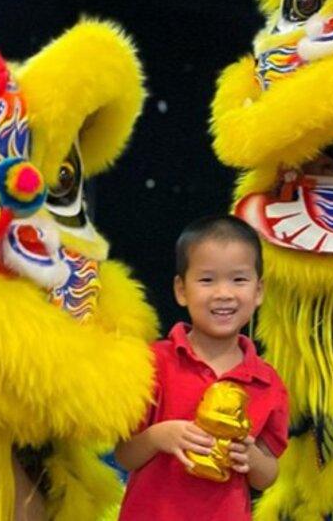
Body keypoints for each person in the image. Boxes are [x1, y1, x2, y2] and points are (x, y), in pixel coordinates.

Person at [116, 215, 289, 520]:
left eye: (239, 279)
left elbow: (268, 474)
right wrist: (159, 437)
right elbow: (125, 455)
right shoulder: (153, 362)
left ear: (259, 290)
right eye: (207, 280)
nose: (224, 293)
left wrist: (251, 459)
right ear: (181, 290)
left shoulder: (267, 382)